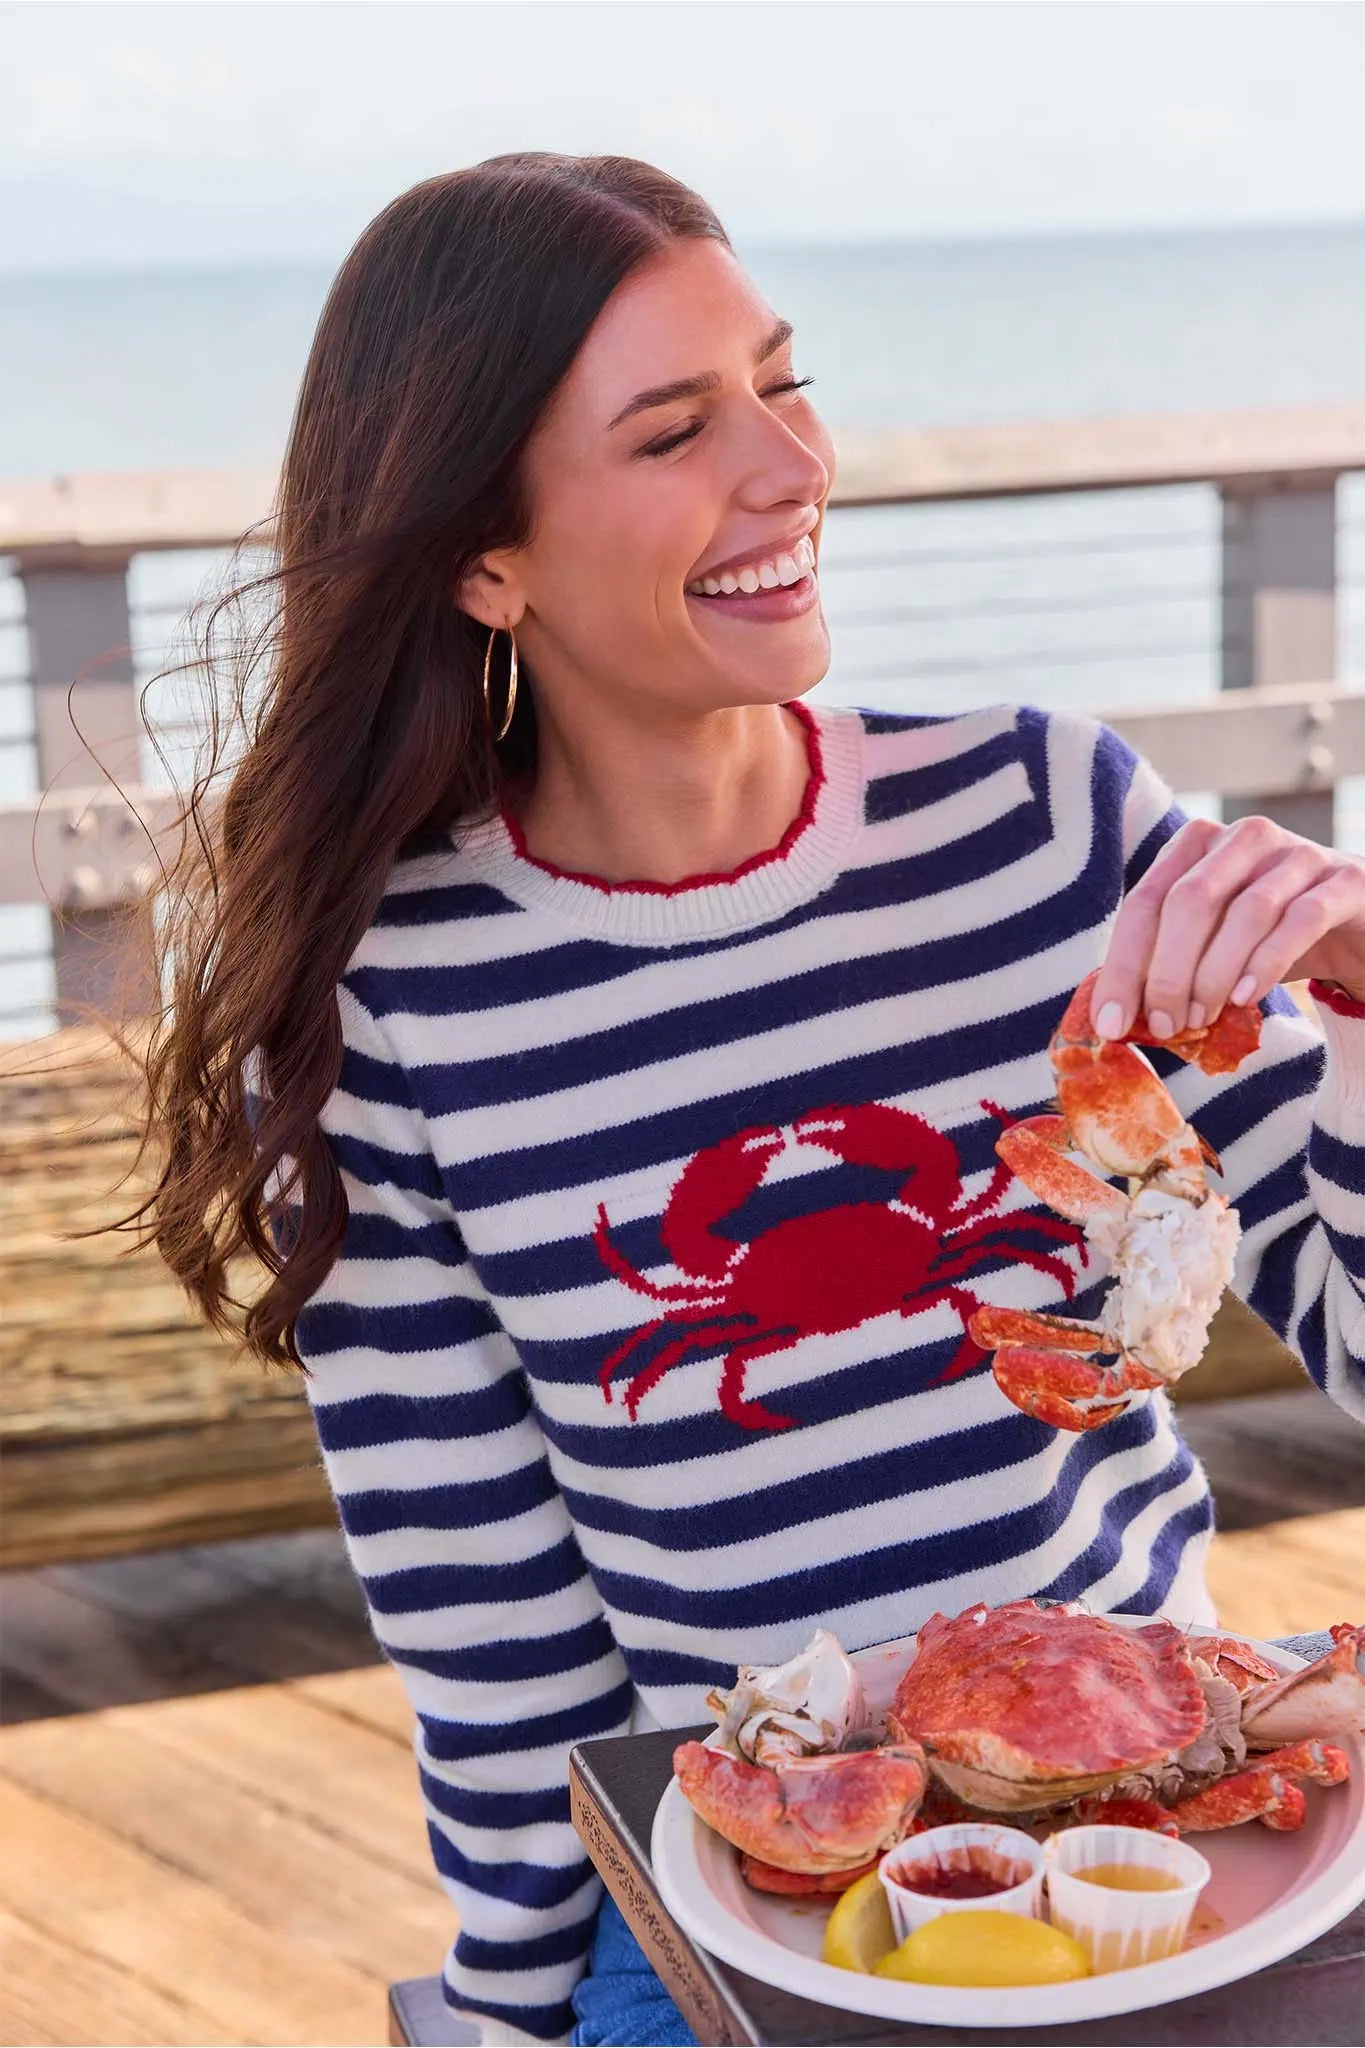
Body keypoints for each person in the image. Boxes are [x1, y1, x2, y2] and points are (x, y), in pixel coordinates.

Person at [137, 154, 1365, 2047]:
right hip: (758, 1867)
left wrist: (1361, 1009)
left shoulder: (1045, 825)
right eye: (674, 430)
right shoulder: (388, 1008)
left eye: (783, 384)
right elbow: (494, 1633)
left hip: (1165, 1814)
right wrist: (506, 2012)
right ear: (484, 555)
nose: (791, 468)